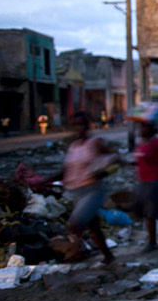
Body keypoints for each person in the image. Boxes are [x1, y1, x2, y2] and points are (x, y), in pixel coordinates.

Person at [44, 111, 116, 264]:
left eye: (82, 124)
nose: (79, 128)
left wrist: (102, 173)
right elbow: (66, 170)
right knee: (93, 226)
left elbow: (116, 159)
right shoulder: (73, 147)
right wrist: (46, 180)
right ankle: (108, 256)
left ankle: (74, 255)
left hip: (94, 189)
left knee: (75, 224)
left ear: (87, 126)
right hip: (77, 191)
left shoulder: (95, 143)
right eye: (75, 125)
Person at [132, 121, 158, 252]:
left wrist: (149, 157)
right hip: (143, 179)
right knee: (141, 210)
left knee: (150, 212)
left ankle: (152, 242)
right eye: (141, 127)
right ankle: (151, 239)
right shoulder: (140, 143)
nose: (142, 130)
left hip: (155, 179)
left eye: (144, 127)